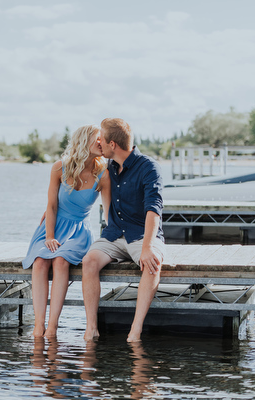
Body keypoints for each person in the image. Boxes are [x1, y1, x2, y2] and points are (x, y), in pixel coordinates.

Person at [22, 124, 111, 338]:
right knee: (40, 261)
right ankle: (38, 326)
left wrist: (113, 242)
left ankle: (52, 327)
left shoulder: (104, 174)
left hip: (79, 231)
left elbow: (108, 214)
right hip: (52, 226)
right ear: (84, 141)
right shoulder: (59, 168)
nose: (102, 143)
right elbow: (51, 206)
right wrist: (50, 236)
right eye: (98, 139)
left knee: (61, 261)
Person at [82, 117, 166, 343]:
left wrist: (148, 247)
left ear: (113, 145)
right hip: (114, 234)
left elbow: (153, 210)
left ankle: (135, 331)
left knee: (152, 264)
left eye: (102, 139)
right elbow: (74, 178)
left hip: (142, 235)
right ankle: (91, 328)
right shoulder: (108, 166)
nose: (99, 143)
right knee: (89, 261)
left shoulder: (149, 168)